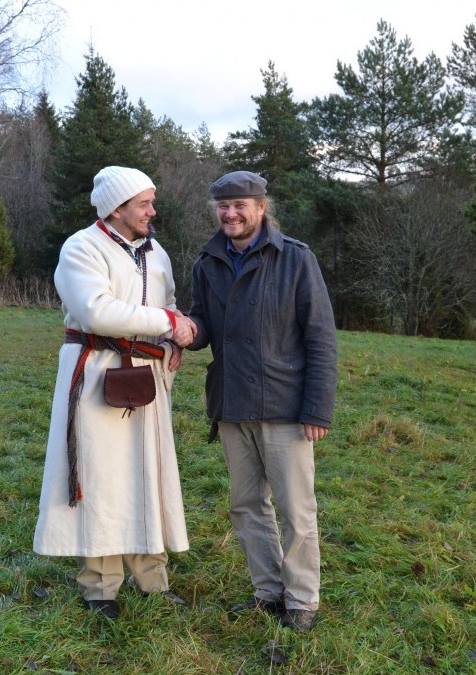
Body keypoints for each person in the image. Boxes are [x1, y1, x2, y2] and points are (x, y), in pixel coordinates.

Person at [33, 166, 198, 620]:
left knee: (148, 472)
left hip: (148, 375)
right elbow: (96, 312)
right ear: (117, 208)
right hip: (97, 374)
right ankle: (100, 587)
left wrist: (169, 340)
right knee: (102, 480)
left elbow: (166, 303)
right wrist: (166, 325)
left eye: (151, 201)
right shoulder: (82, 247)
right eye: (144, 203)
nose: (152, 210)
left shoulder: (156, 251)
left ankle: (152, 580)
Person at [186, 170, 338, 633]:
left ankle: (302, 601)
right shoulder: (206, 262)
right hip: (232, 404)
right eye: (223, 207)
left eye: (240, 206)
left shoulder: (295, 259)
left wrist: (317, 408)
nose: (231, 214)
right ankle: (269, 592)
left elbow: (321, 338)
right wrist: (180, 331)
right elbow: (202, 325)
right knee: (247, 505)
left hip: (286, 407)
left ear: (260, 207)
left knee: (297, 510)